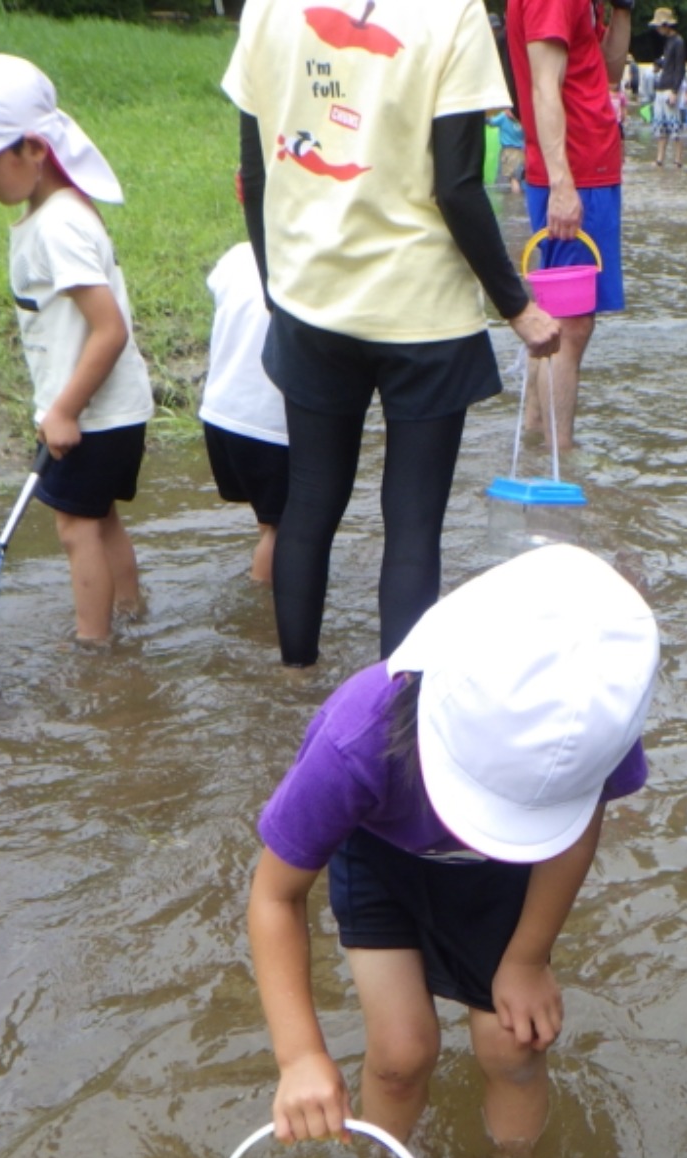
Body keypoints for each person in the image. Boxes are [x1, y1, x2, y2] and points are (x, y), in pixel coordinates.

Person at [246, 545, 659, 1154]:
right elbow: (275, 896)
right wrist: (301, 1055)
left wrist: (529, 957)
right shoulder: (356, 738)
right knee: (401, 1053)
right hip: (381, 861)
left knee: (512, 1044)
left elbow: (576, 832)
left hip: (507, 874)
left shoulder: (588, 718)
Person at [230, 0, 559, 668]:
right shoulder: (454, 15)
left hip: (311, 300)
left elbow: (256, 172)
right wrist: (517, 307)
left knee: (310, 504)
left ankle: (294, 685)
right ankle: (400, 715)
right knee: (413, 524)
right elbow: (458, 186)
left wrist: (278, 288)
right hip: (423, 314)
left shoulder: (268, 7)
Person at [0, 54, 154, 646]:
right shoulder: (55, 214)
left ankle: (94, 647)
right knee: (100, 516)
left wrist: (62, 410)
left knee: (75, 527)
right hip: (106, 409)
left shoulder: (57, 227)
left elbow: (109, 329)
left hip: (92, 412)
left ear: (34, 148)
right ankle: (132, 615)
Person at [508, 0, 632, 455]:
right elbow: (544, 87)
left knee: (563, 318)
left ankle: (537, 432)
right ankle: (561, 458)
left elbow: (609, 69)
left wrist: (622, 9)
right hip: (575, 173)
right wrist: (562, 183)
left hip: (588, 170)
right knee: (570, 323)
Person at [201, 231, 290, 586]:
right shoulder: (313, 260)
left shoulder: (237, 255)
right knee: (286, 528)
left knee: (270, 518)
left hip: (222, 413)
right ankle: (264, 613)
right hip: (272, 423)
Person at [650, 8, 687, 169]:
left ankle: (678, 160)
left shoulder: (678, 42)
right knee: (661, 127)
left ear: (666, 25)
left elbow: (680, 68)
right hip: (661, 87)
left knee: (674, 127)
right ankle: (660, 159)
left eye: (659, 26)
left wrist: (674, 91)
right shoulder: (669, 41)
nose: (657, 29)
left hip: (670, 88)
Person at [493, 106, 527, 192]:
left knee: (512, 179)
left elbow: (491, 122)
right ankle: (518, 200)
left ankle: (513, 201)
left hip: (508, 152)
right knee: (517, 177)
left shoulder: (503, 117)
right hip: (521, 152)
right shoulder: (522, 117)